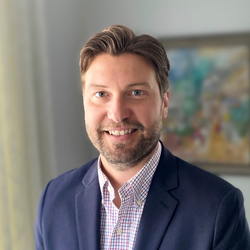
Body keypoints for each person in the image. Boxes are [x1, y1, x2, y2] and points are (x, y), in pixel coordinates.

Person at [35, 25, 250, 250]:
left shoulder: (218, 206)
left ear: (164, 103)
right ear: (84, 102)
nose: (117, 114)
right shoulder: (53, 199)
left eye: (136, 93)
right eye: (101, 94)